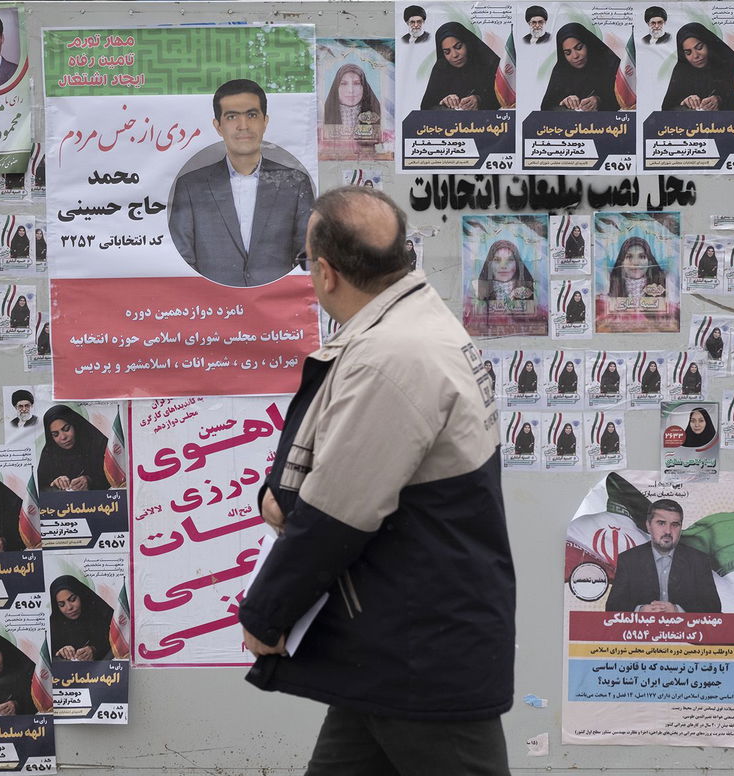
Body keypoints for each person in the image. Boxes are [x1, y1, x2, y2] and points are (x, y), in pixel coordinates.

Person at [238, 187, 515, 775]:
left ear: (326, 272)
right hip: (390, 640)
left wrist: (264, 615)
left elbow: (337, 512)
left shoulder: (395, 356)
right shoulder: (413, 320)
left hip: (423, 649)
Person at [169, 79, 314, 288]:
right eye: (231, 116)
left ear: (265, 121)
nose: (243, 125)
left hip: (277, 309)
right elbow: (181, 260)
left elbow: (307, 255)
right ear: (218, 126)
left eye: (252, 115)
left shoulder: (295, 183)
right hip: (213, 307)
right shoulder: (191, 186)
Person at [605, 499, 720, 613]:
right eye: (661, 523)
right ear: (648, 526)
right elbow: (612, 607)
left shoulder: (699, 560)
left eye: (675, 525)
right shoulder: (629, 560)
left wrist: (678, 611)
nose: (668, 531)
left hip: (685, 630)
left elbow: (713, 607)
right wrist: (640, 611)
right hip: (642, 629)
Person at [661, 22, 734, 111]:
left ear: (709, 44)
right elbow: (666, 110)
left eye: (699, 47)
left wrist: (720, 100)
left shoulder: (730, 63)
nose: (695, 56)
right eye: (688, 52)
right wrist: (684, 103)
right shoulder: (681, 71)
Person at [540, 24, 621, 112]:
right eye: (568, 53)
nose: (575, 56)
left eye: (579, 48)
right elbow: (546, 109)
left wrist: (599, 100)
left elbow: (625, 100)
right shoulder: (561, 71)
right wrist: (563, 104)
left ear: (588, 44)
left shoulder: (610, 63)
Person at [420, 22, 500, 111]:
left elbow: (506, 98)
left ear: (468, 43)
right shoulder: (441, 69)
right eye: (447, 52)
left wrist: (480, 100)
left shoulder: (488, 62)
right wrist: (443, 102)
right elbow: (426, 109)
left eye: (458, 47)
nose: (454, 55)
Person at [37, 405, 112, 493]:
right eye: (55, 434)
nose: (63, 437)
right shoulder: (49, 453)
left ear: (75, 425)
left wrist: (90, 481)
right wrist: (54, 484)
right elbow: (40, 488)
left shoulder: (97, 443)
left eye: (66, 429)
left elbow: (115, 478)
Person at [322, 64, 382, 157]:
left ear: (364, 87)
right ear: (336, 87)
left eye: (357, 83)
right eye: (344, 84)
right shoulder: (324, 114)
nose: (351, 90)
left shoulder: (376, 114)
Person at [49, 575, 114, 661]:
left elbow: (113, 644)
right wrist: (60, 653)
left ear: (81, 595)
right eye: (62, 604)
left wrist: (94, 650)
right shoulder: (53, 626)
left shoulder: (100, 614)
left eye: (72, 599)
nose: (69, 607)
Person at [475, 239, 535, 304]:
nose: (503, 266)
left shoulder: (529, 292)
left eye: (509, 260)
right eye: (497, 260)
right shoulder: (478, 291)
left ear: (517, 264)